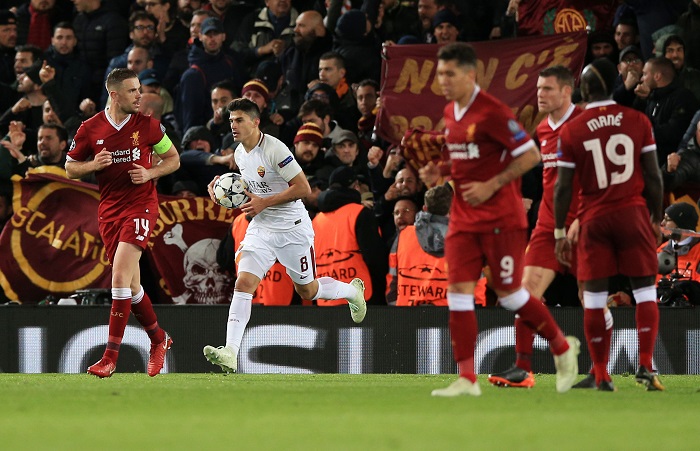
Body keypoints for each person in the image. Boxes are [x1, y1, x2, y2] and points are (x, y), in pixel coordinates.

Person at [419, 43, 579, 397]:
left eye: (449, 74)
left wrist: (492, 184)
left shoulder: (493, 112)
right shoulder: (450, 112)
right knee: (458, 294)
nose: (442, 81)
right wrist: (440, 170)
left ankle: (562, 349)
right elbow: (464, 161)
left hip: (500, 220)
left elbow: (531, 155)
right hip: (463, 220)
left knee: (509, 295)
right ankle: (466, 378)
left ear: (470, 75)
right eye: (439, 74)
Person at [203, 98, 367, 374]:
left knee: (307, 290)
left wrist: (265, 203)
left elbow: (302, 188)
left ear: (255, 122)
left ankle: (353, 292)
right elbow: (251, 186)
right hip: (262, 228)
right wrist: (220, 185)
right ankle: (230, 352)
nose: (233, 125)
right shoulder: (240, 153)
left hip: (293, 228)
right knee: (243, 283)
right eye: (231, 120)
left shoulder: (275, 149)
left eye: (239, 119)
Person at [554, 57, 665, 392]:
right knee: (645, 291)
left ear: (584, 90)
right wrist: (656, 217)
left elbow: (562, 187)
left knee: (593, 297)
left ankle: (601, 374)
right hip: (632, 213)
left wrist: (560, 230)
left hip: (594, 218)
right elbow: (654, 176)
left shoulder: (571, 129)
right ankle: (645, 364)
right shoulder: (637, 119)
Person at [65, 68, 180, 378]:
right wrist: (93, 164)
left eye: (139, 89)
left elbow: (173, 159)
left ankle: (109, 357)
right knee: (131, 285)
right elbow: (70, 167)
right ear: (114, 94)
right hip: (110, 211)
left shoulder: (149, 126)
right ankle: (159, 339)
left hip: (142, 206)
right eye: (132, 91)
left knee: (118, 277)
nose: (139, 95)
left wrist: (150, 173)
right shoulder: (90, 128)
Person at [487, 65, 591, 389]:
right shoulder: (544, 128)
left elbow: (597, 179)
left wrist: (579, 219)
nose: (540, 95)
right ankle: (522, 368)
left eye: (547, 89)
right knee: (523, 292)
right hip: (549, 226)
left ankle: (601, 371)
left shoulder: (585, 125)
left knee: (590, 297)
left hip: (585, 223)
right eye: (538, 89)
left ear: (566, 92)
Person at [387, 183, 452, 306]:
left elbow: (393, 276)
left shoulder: (404, 235)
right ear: (450, 209)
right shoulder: (462, 239)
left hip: (407, 312)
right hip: (448, 313)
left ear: (425, 208)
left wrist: (393, 304)